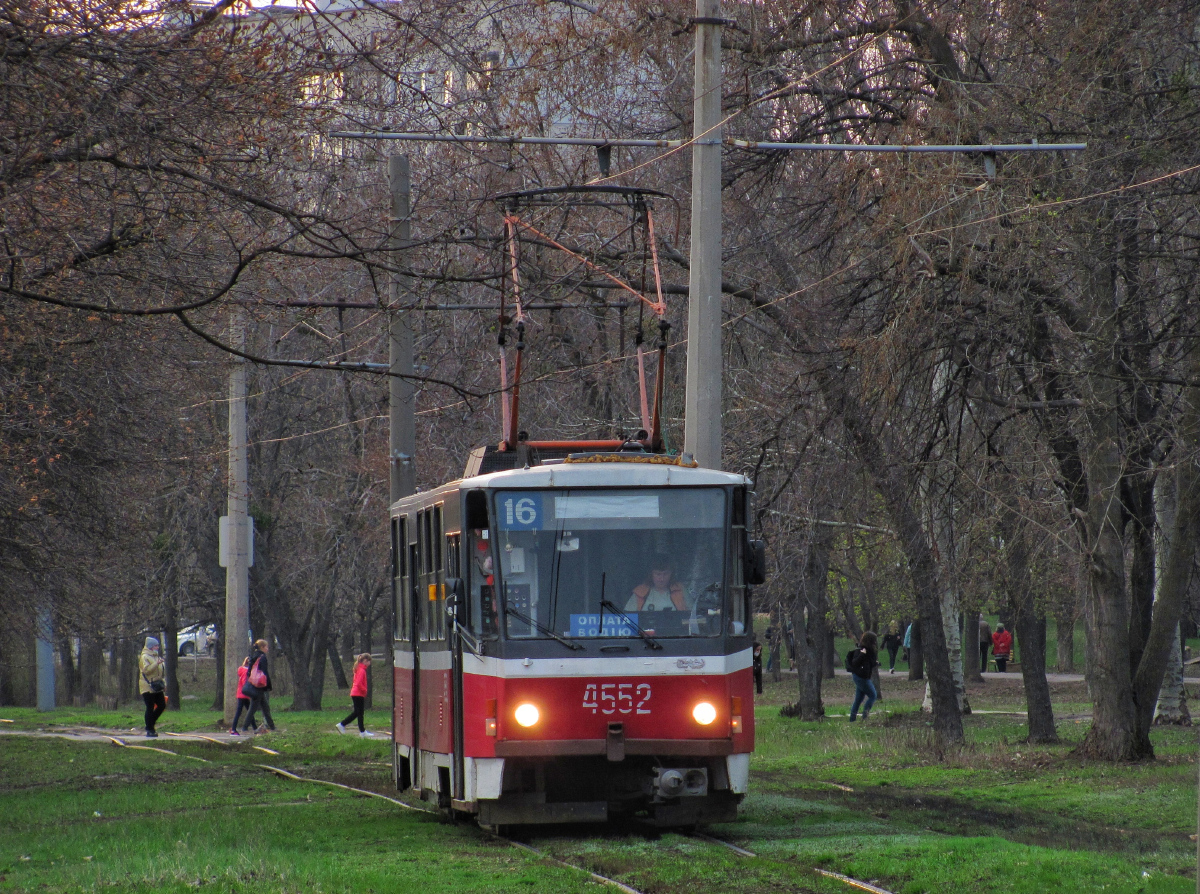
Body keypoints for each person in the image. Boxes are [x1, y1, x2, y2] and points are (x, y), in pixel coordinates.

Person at [241, 639, 277, 732]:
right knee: (254, 708)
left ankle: (272, 726)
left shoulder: (254, 656)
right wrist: (267, 685)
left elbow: (249, 671)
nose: (267, 649)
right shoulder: (262, 657)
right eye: (266, 647)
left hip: (254, 684)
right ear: (262, 647)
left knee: (265, 707)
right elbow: (264, 672)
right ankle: (245, 727)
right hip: (259, 686)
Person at [337, 653, 374, 737]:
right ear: (365, 661)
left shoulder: (359, 668)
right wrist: (364, 690)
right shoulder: (361, 670)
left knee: (359, 713)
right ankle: (342, 724)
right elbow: (358, 683)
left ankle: (362, 731)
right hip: (358, 693)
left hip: (356, 693)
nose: (369, 664)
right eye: (369, 661)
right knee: (358, 713)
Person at [138, 636, 167, 738]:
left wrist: (163, 684)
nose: (157, 647)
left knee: (162, 705)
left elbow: (160, 672)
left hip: (157, 685)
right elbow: (146, 670)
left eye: (158, 645)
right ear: (150, 646)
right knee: (150, 707)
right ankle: (150, 729)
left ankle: (150, 723)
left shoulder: (156, 656)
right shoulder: (144, 657)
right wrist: (156, 664)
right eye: (155, 645)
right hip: (147, 686)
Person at [848, 631, 879, 722]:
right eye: (874, 640)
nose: (875, 642)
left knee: (858, 699)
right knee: (873, 695)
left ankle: (852, 719)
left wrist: (875, 663)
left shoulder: (870, 651)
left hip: (864, 676)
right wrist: (862, 654)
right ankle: (865, 716)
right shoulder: (861, 650)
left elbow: (869, 663)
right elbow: (854, 663)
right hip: (861, 677)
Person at [229, 658, 257, 736]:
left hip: (240, 693)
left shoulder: (241, 670)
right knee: (246, 712)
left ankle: (255, 728)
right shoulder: (246, 672)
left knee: (248, 711)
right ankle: (234, 729)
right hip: (244, 694)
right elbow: (245, 683)